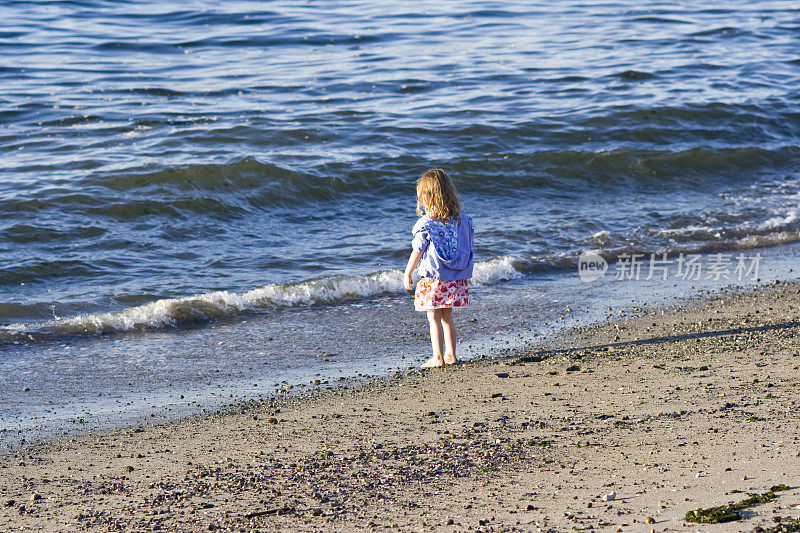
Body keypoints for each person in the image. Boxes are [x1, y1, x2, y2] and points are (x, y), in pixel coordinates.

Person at [403, 168, 474, 368]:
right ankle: (451, 355)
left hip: (434, 278)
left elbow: (417, 251)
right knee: (447, 317)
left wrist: (408, 272)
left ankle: (437, 357)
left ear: (426, 198)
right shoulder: (462, 220)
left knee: (433, 316)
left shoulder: (426, 224)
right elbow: (468, 247)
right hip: (455, 278)